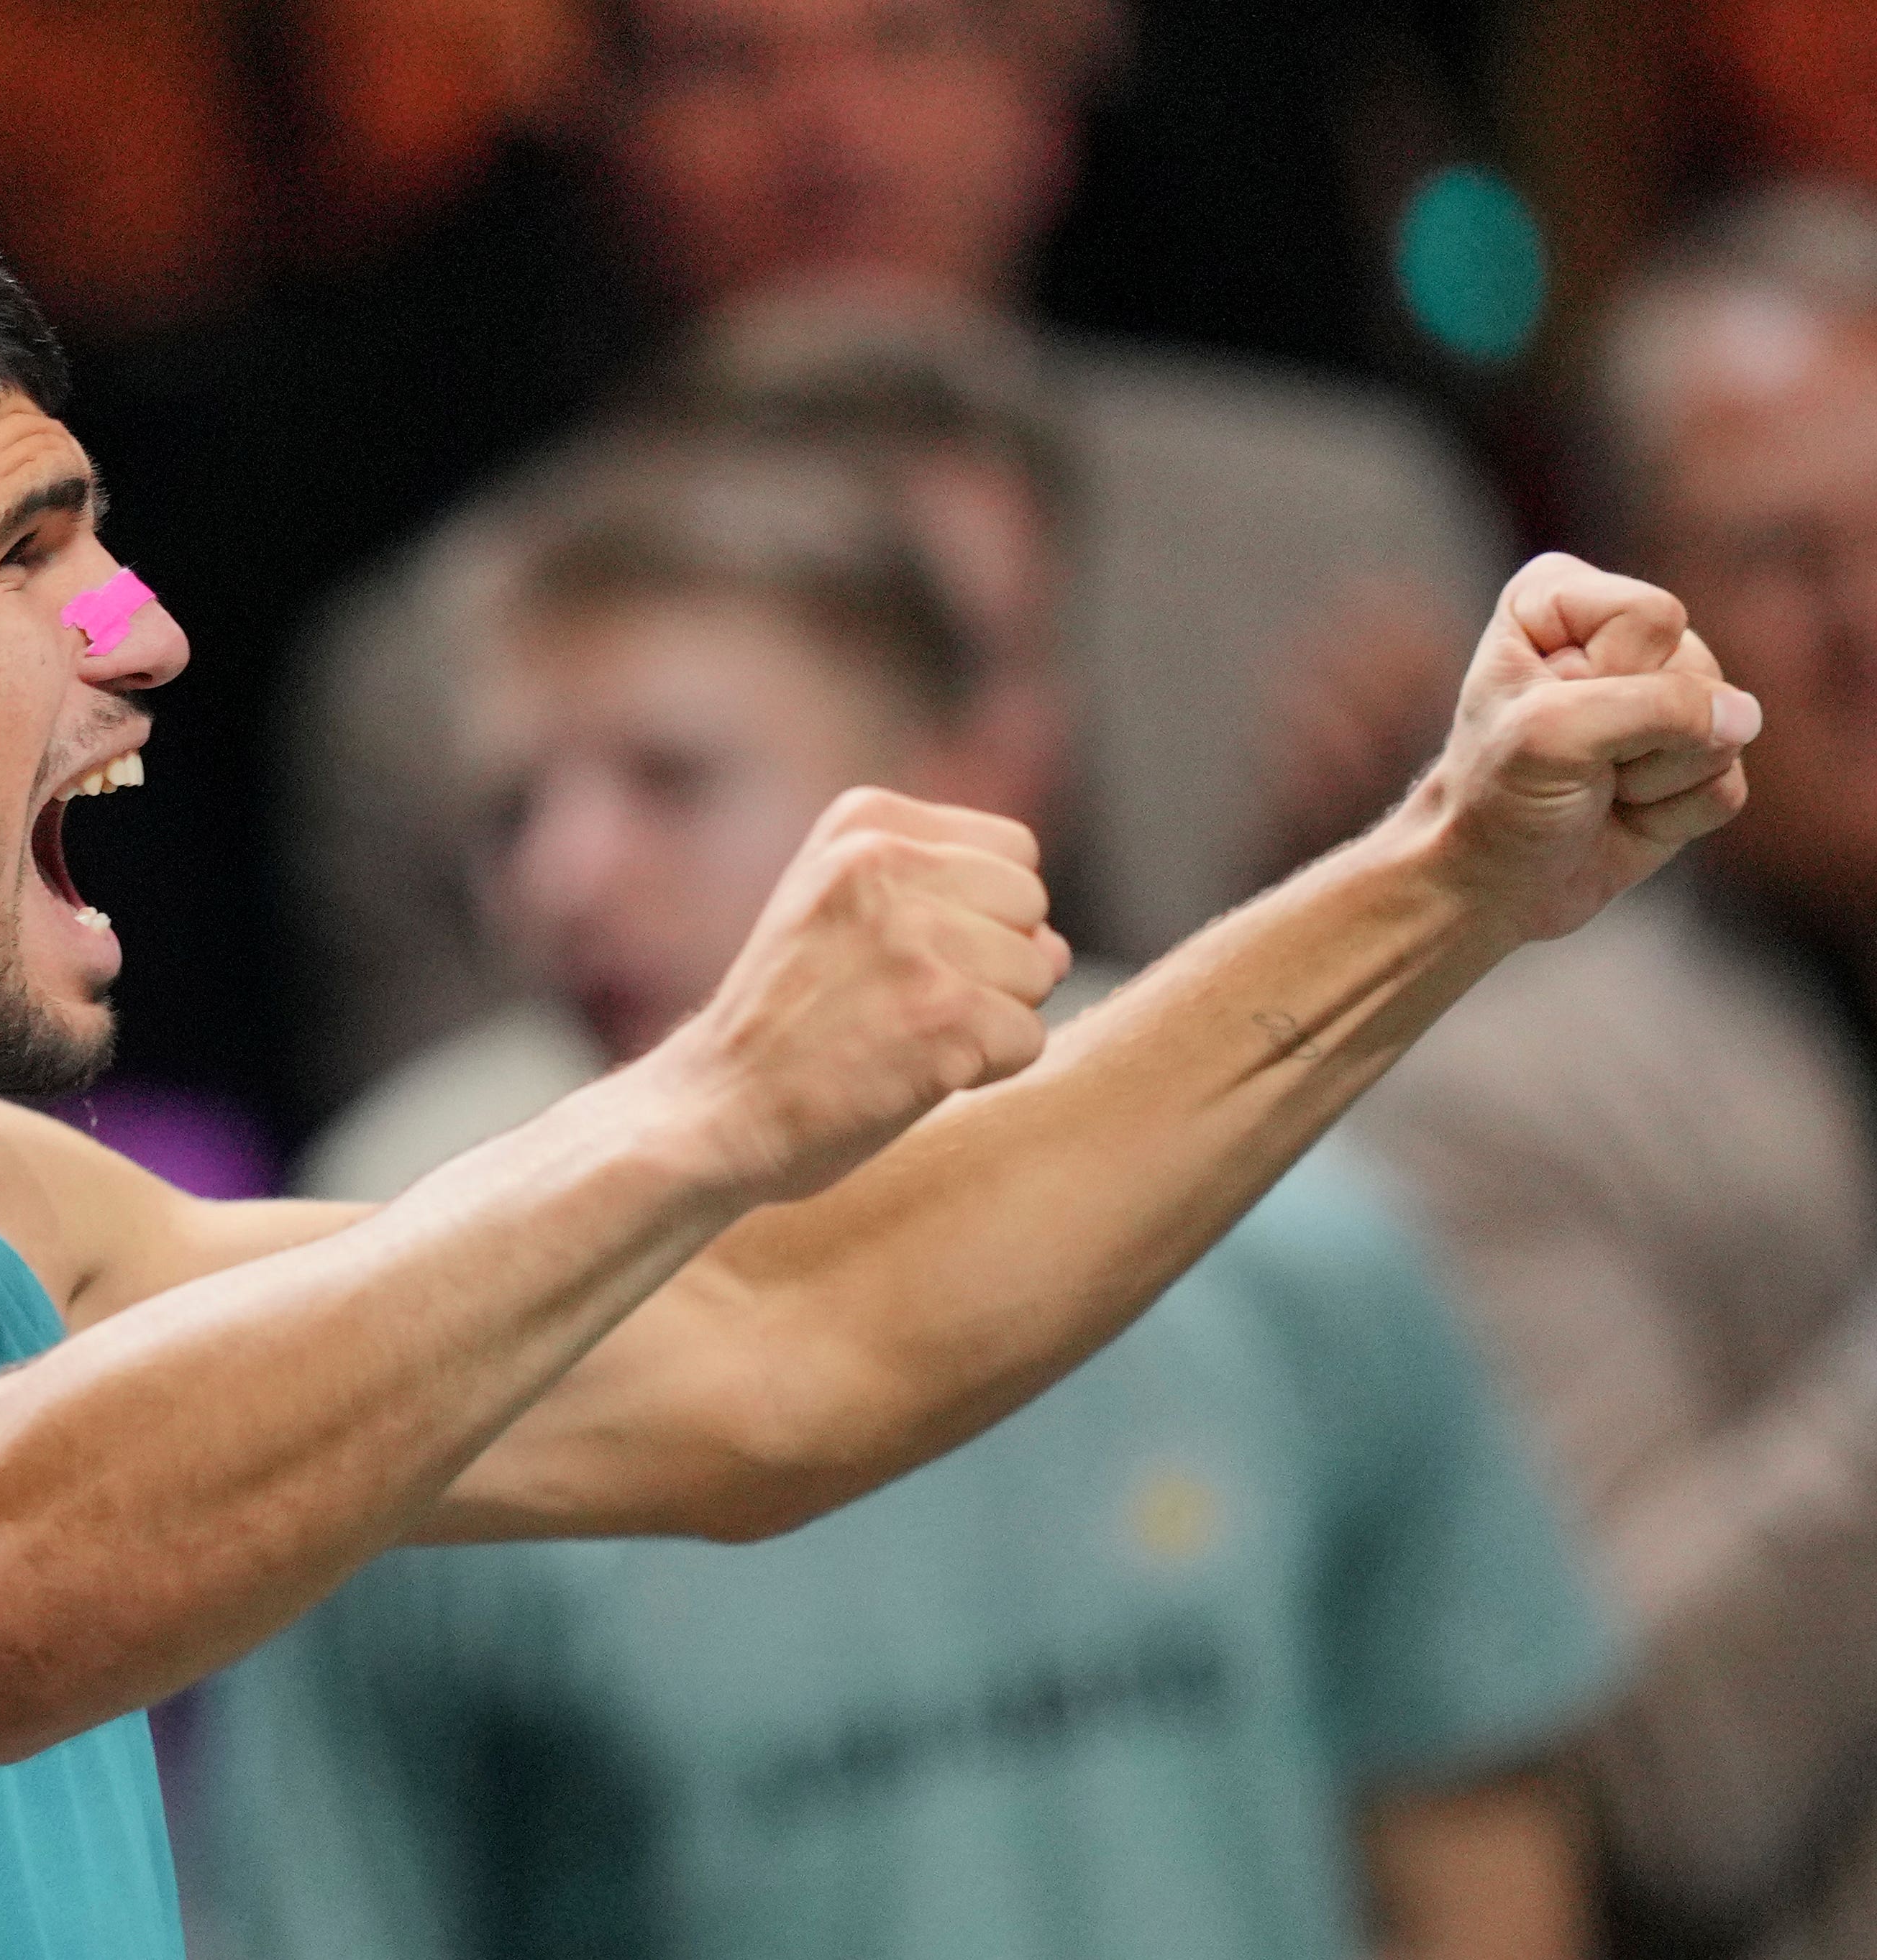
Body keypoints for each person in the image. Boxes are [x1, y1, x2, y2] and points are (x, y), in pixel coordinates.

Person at [0, 183, 1749, 1958]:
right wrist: (709, 1100)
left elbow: (805, 1353)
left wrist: (1441, 882)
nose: (138, 636)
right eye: (30, 554)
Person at [209, 420, 1613, 1960]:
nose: (561, 878)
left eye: (669, 778)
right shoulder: (398, 1280)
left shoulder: (1283, 1202)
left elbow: (1463, 1831)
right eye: (508, 811)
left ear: (947, 786)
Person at [283, 0, 1514, 1107]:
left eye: (909, 37)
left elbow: (1532, 1110)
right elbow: (454, 1196)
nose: (834, 133)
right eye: (725, 62)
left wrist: (1372, 903)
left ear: (1052, 100)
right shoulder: (438, 654)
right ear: (605, 136)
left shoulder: (1342, 539)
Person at [1350, 184, 1877, 1959]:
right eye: (1784, 557)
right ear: (1640, 615)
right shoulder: (1505, 1090)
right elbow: (1654, 1788)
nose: (1865, 624)